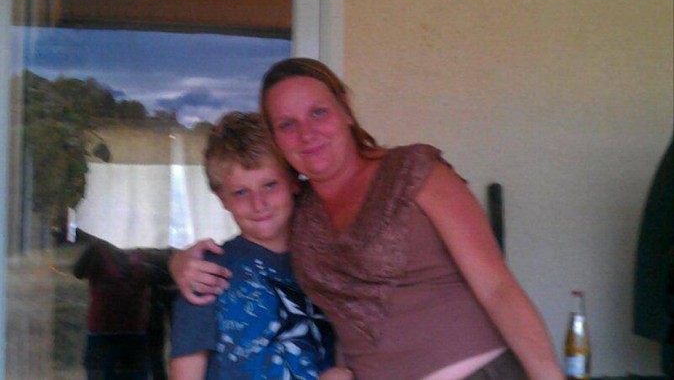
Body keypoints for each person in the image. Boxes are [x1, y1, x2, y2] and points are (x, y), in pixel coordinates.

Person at [170, 58, 564, 380]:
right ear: (277, 140)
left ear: (345, 110)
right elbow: (260, 241)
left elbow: (498, 288)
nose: (307, 133)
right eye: (287, 124)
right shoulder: (303, 212)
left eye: (318, 112)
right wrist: (180, 262)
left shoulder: (415, 171)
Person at [169, 111, 338, 380]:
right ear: (222, 198)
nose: (258, 204)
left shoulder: (329, 262)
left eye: (270, 185)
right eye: (241, 192)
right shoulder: (208, 274)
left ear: (294, 182)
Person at [72, 229, 173, 380]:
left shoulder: (143, 252)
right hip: (104, 333)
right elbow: (78, 272)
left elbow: (166, 276)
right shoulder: (98, 250)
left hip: (132, 334)